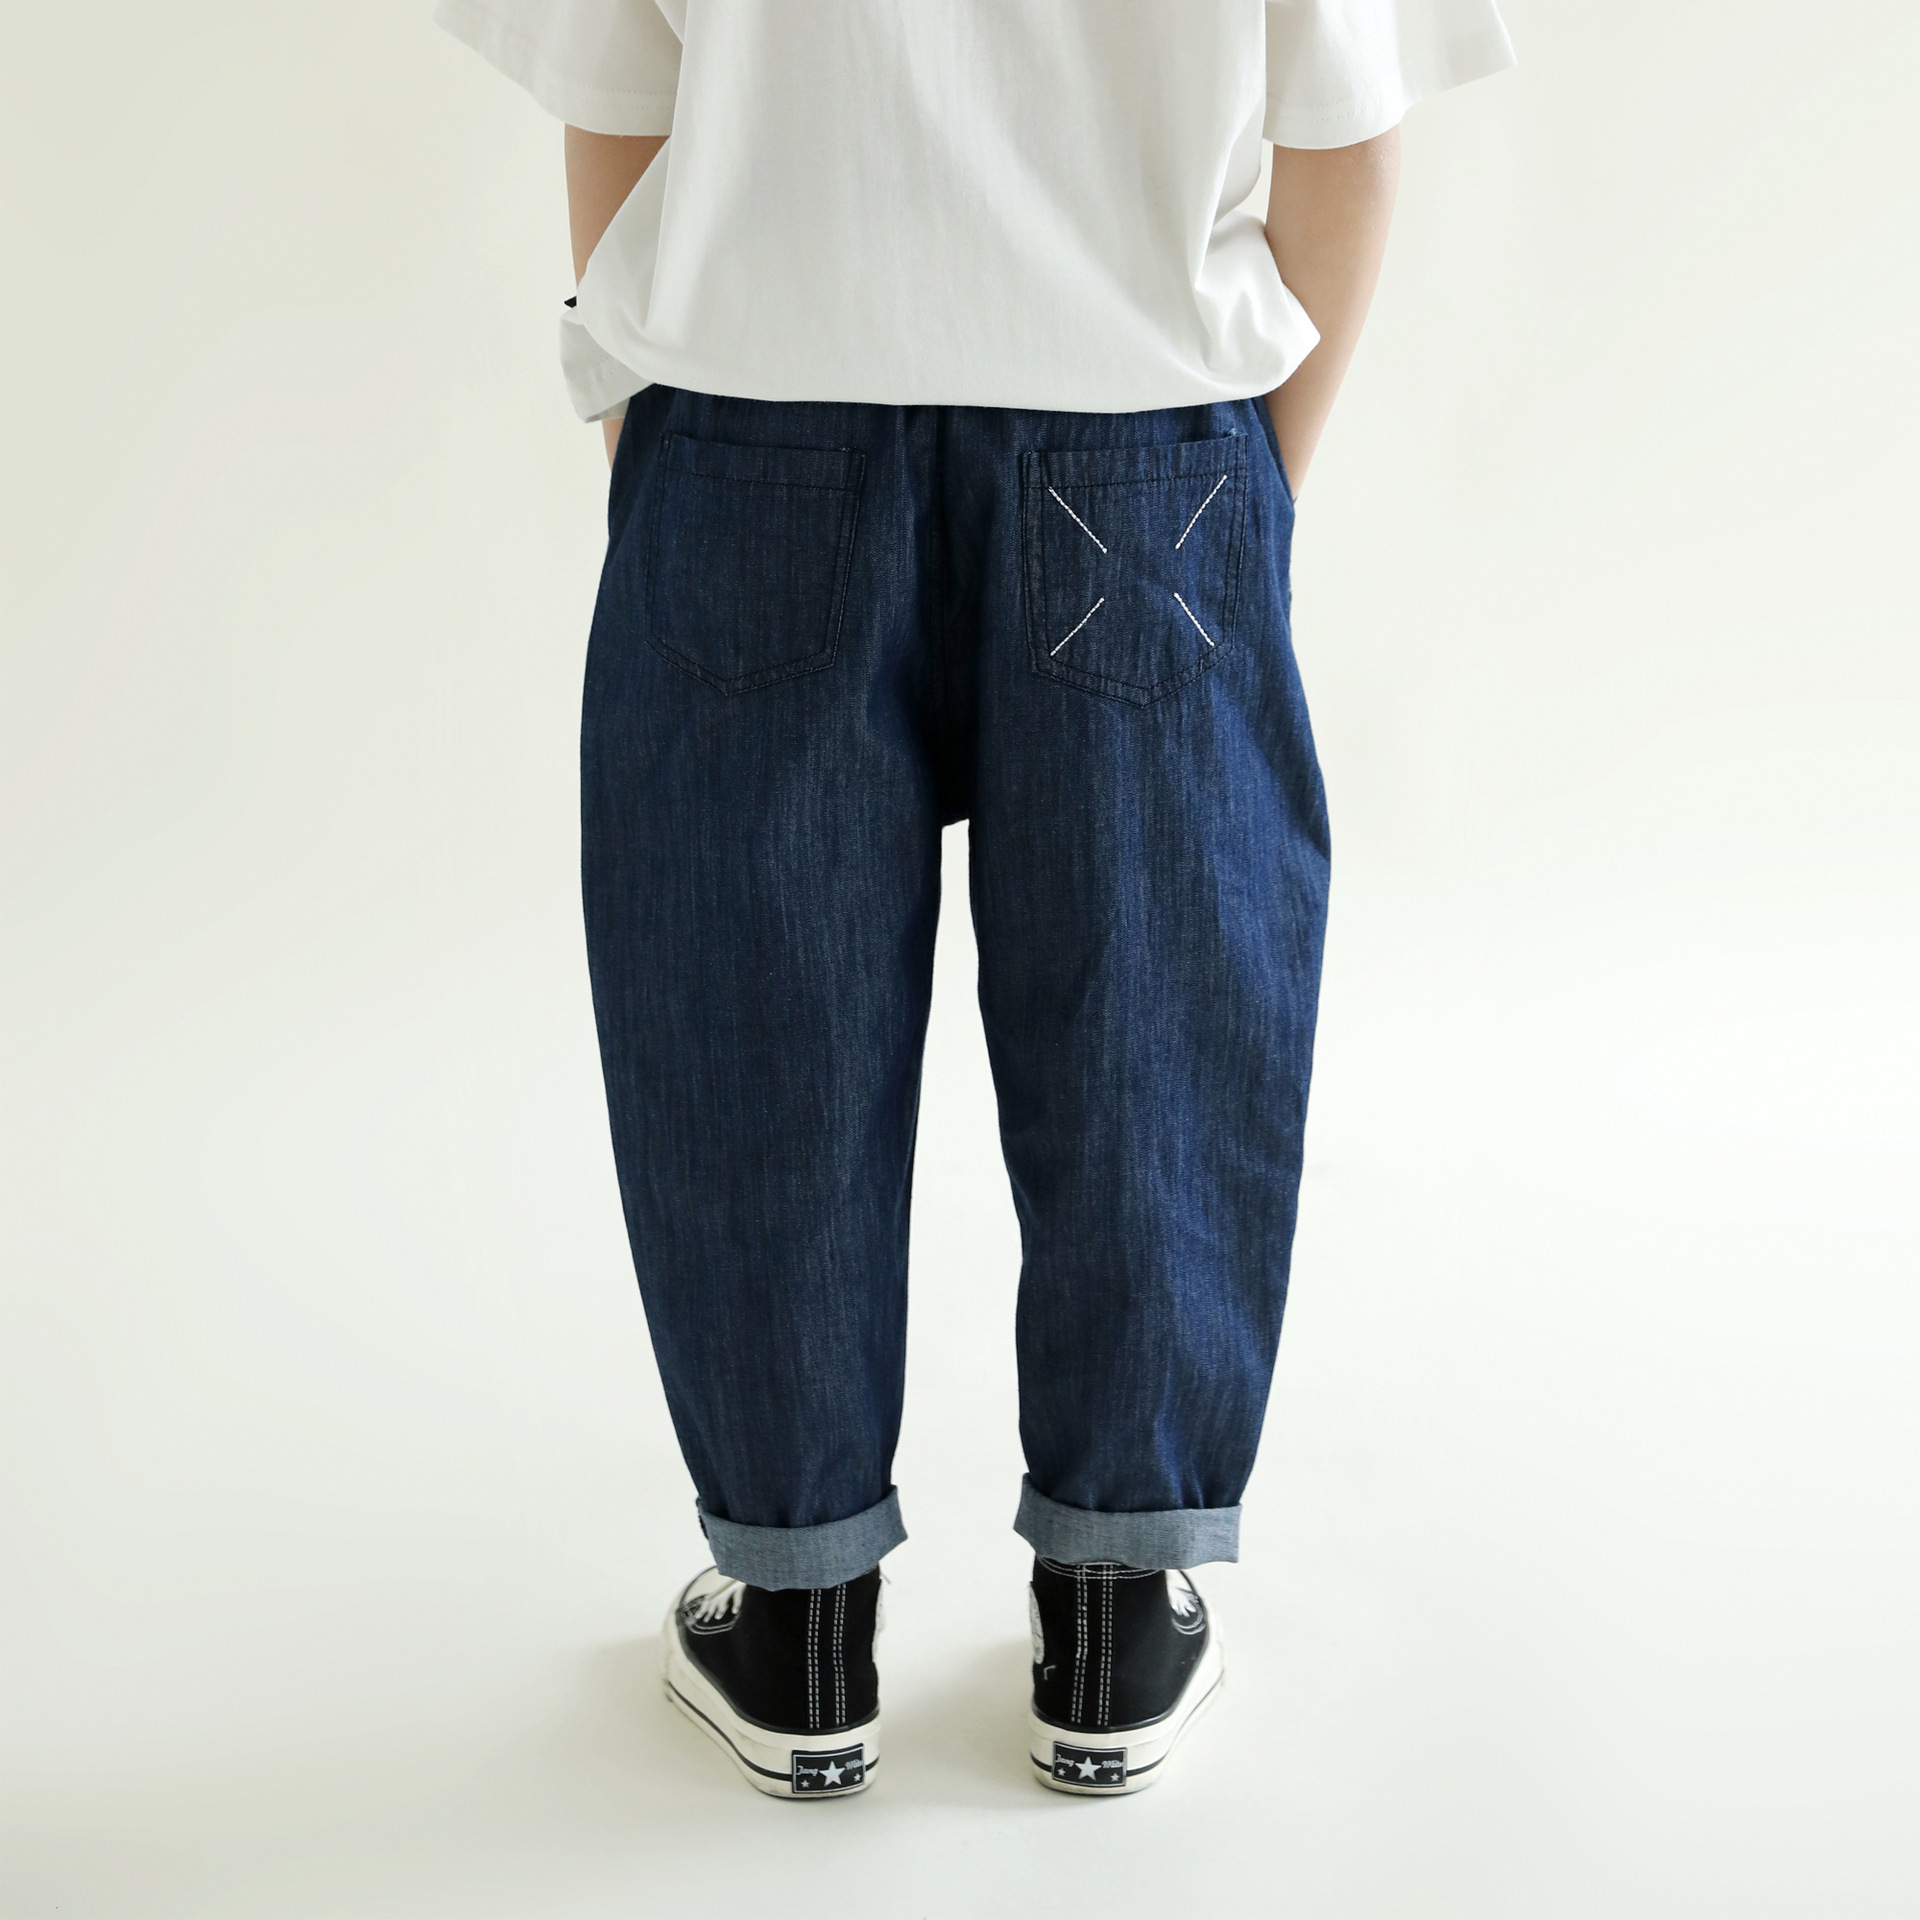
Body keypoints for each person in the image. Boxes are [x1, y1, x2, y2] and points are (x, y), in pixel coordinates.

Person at [436, 0, 1513, 1799]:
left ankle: (798, 1622)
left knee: (754, 1021)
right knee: (1156, 1020)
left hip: (752, 425)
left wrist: (657, 421)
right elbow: (1347, 143)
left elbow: (618, 100)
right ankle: (1114, 1615)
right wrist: (1254, 484)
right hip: (1142, 427)